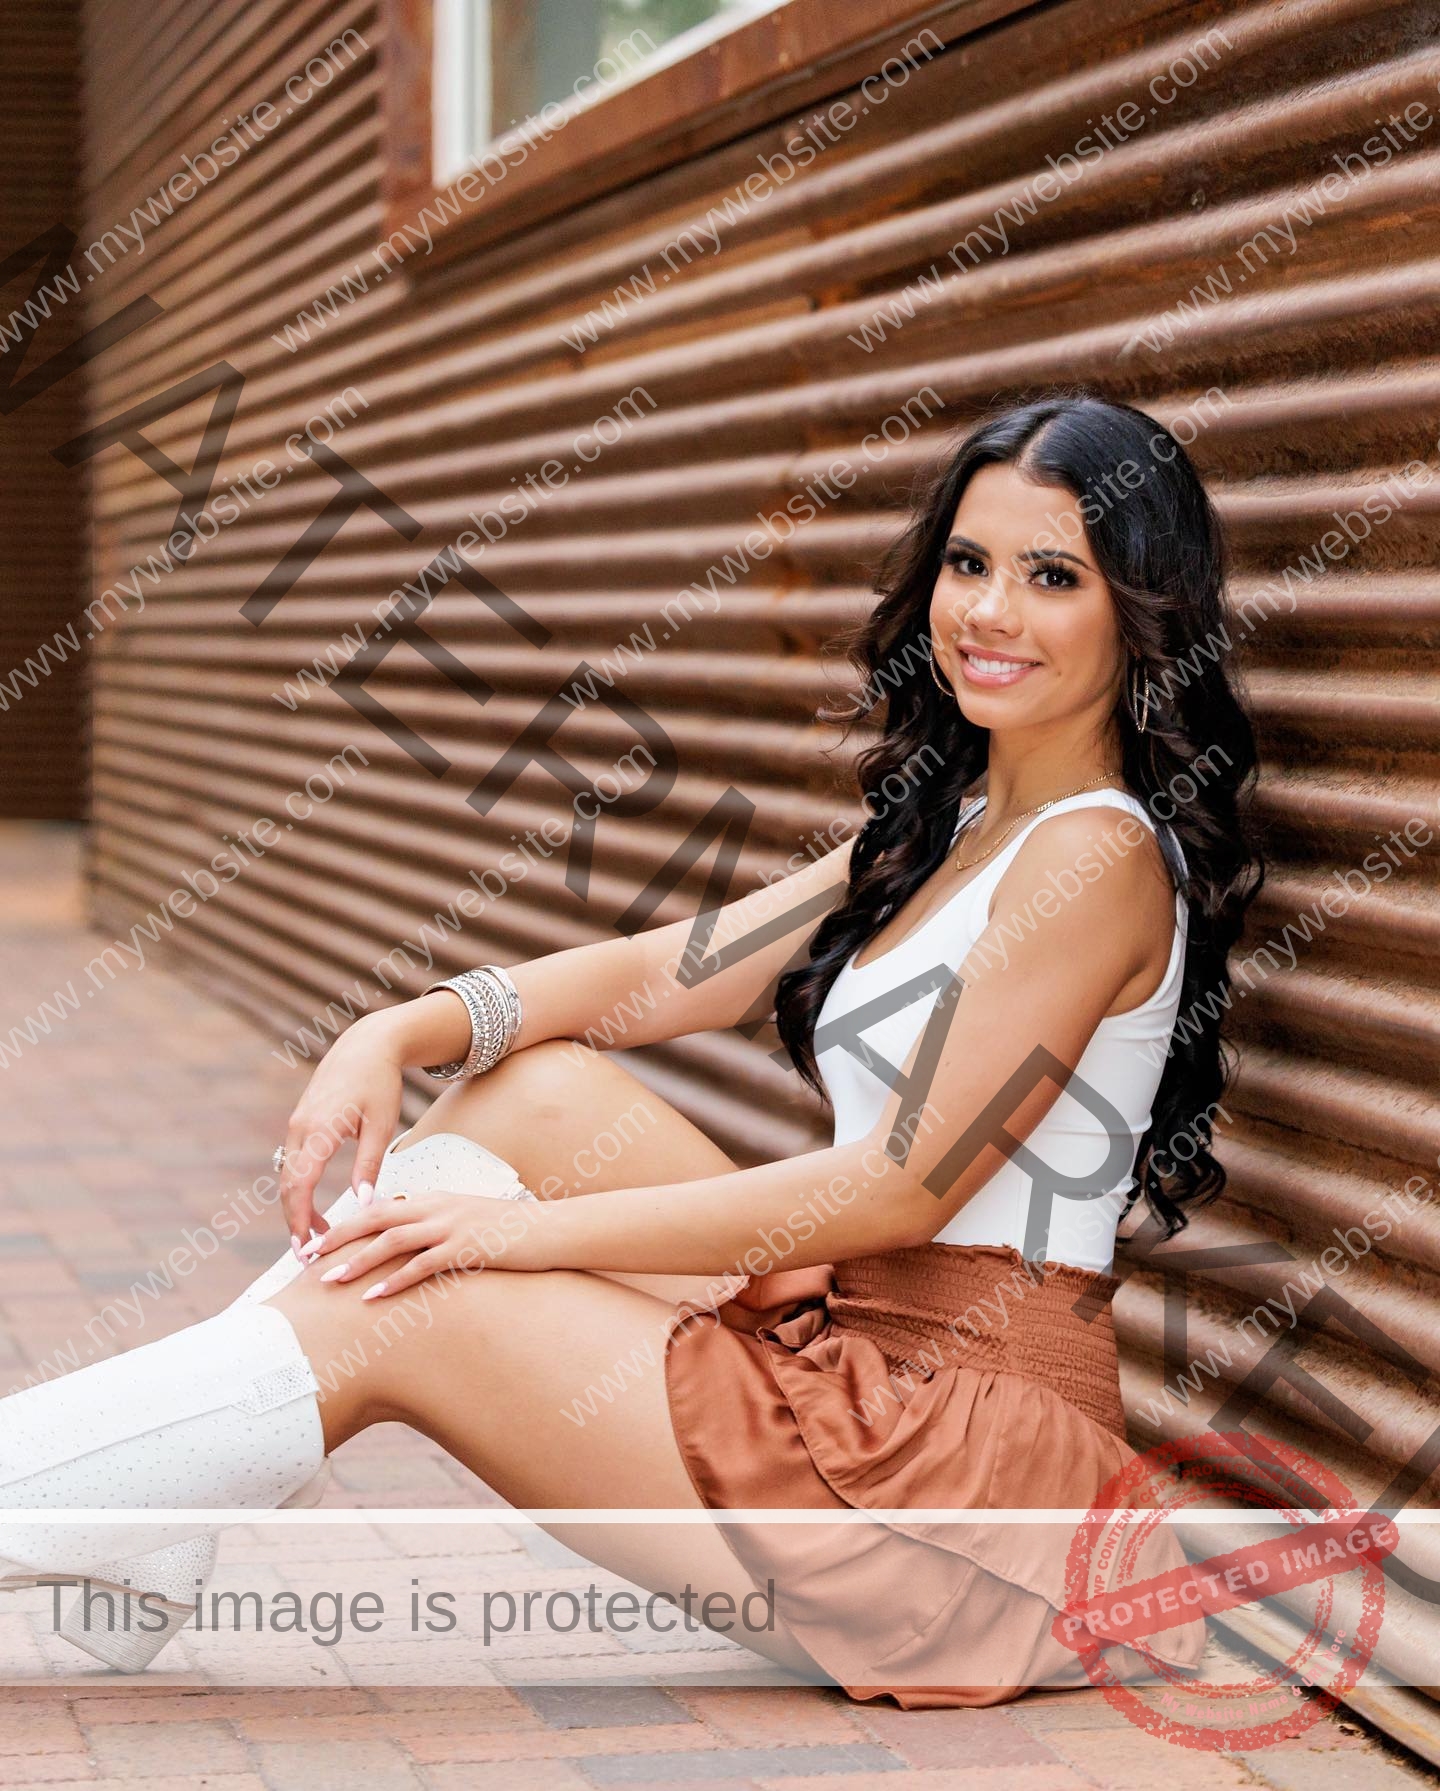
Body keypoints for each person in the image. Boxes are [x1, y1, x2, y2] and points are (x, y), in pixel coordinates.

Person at [0, 391, 1263, 1700]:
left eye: (1051, 577)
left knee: (411, 1295)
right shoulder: (951, 830)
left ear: (1140, 610)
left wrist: (515, 1237)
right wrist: (398, 1028)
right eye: (968, 562)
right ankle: (161, 1510)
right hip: (854, 1347)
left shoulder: (1094, 855)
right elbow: (673, 972)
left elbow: (901, 1187)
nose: (989, 612)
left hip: (960, 1485)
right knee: (535, 1092)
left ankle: (137, 1501)